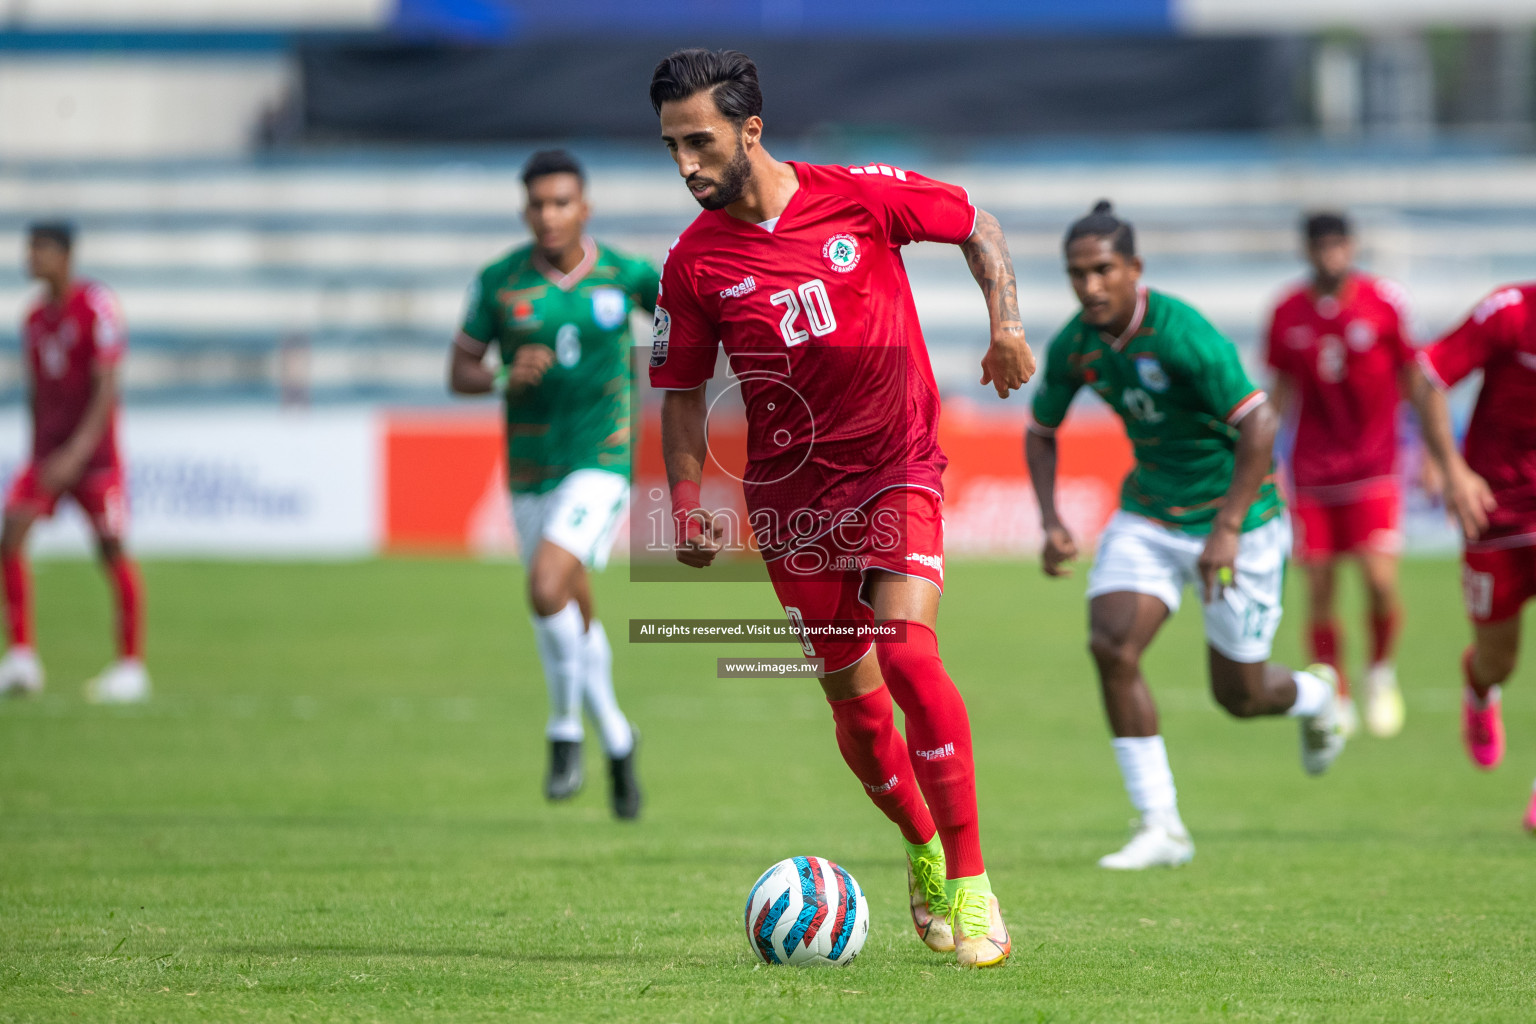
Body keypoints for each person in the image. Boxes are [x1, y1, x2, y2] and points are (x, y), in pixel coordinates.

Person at [647, 48, 1033, 968]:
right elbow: (682, 392)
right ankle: (922, 846)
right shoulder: (693, 265)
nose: (686, 165)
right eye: (671, 147)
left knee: (908, 651)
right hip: (792, 506)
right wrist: (688, 501)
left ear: (751, 130)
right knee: (858, 712)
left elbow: (978, 224)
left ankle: (974, 884)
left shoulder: (861, 195)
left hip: (897, 465)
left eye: (700, 142)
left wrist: (1007, 326)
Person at [1026, 201, 1347, 872]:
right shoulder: (1077, 344)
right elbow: (1041, 429)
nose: (1089, 287)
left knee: (1241, 696)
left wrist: (1227, 528)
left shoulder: (1183, 334)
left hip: (1241, 521)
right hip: (1149, 514)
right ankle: (1162, 826)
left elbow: (1259, 425)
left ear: (1135, 269)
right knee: (1111, 645)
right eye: (1076, 274)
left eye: (1103, 271)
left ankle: (1319, 699)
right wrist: (1053, 521)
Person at [448, 150, 655, 820]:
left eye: (561, 202)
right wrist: (506, 376)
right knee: (566, 607)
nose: (549, 215)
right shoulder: (499, 282)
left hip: (602, 458)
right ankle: (619, 739)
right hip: (531, 469)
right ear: (524, 211)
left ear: (584, 209)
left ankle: (564, 730)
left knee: (544, 587)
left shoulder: (625, 275)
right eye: (538, 204)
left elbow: (685, 324)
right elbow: (460, 372)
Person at [1265, 212, 1415, 738]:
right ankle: (1339, 694)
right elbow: (1279, 393)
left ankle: (1379, 673)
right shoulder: (1287, 312)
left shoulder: (1384, 303)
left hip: (1375, 469)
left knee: (1379, 582)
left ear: (1351, 247)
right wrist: (1267, 466)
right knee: (1322, 589)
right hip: (1312, 474)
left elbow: (1412, 376)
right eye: (1320, 246)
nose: (1330, 254)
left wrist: (1439, 460)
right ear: (1307, 251)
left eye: (1338, 244)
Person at [1407, 282, 1536, 831]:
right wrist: (1453, 469)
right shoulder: (1508, 312)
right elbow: (1426, 376)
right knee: (1498, 659)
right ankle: (1478, 686)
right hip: (1497, 510)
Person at [0, 222, 147, 703]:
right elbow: (37, 394)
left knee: (111, 549)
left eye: (39, 250)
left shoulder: (97, 307)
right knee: (12, 530)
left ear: (64, 256)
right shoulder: (34, 320)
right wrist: (41, 456)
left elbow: (106, 389)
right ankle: (22, 658)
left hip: (94, 457)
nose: (31, 259)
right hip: (49, 454)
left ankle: (130, 666)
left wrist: (75, 455)